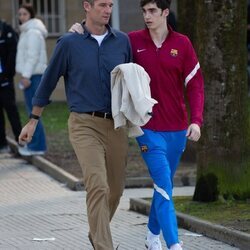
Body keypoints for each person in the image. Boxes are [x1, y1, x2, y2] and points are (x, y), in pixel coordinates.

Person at [19, 0, 132, 249]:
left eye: (111, 5)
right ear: (87, 6)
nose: (107, 10)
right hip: (84, 123)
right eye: (102, 5)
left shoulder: (122, 41)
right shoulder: (69, 43)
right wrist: (33, 120)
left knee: (115, 190)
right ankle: (104, 245)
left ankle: (96, 230)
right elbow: (47, 81)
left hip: (115, 125)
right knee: (98, 186)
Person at [128, 1, 204, 249]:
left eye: (152, 11)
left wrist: (196, 121)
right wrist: (82, 28)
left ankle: (152, 235)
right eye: (144, 11)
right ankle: (174, 244)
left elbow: (195, 85)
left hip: (177, 130)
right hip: (147, 128)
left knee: (164, 186)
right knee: (162, 184)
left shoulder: (182, 43)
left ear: (165, 13)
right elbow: (102, 43)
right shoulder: (132, 41)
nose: (147, 16)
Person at [16, 3, 47, 156]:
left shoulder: (33, 32)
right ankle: (36, 145)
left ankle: (37, 147)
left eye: (25, 14)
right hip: (30, 76)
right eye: (20, 14)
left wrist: (26, 76)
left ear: (31, 15)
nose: (21, 17)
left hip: (33, 77)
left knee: (33, 113)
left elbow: (33, 56)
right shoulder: (26, 31)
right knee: (31, 112)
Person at [0, 19, 22, 153]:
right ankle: (2, 144)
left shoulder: (7, 30)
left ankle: (21, 142)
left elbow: (13, 53)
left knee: (11, 110)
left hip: (5, 79)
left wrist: (8, 73)